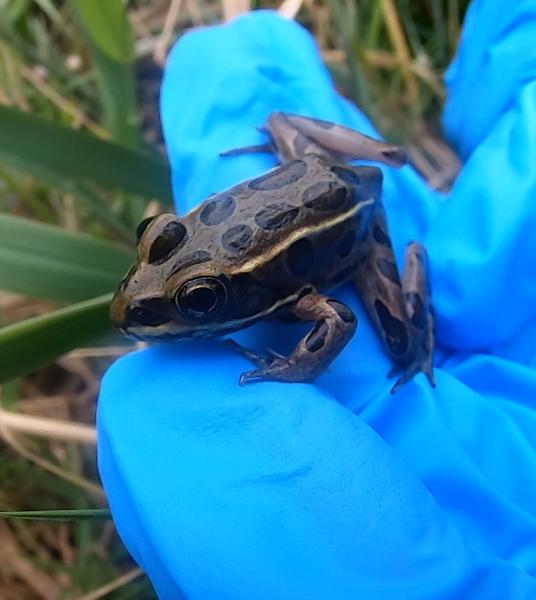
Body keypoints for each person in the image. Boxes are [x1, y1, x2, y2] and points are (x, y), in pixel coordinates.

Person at [98, 4, 536, 598]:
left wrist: (299, 366)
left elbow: (339, 314)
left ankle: (415, 264)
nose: (141, 299)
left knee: (404, 346)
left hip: (355, 233)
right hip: (313, 169)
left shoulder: (292, 292)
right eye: (158, 240)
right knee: (278, 122)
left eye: (198, 299)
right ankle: (290, 131)